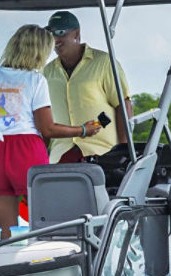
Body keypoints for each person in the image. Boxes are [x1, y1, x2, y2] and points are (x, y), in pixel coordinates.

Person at [0, 25, 104, 240]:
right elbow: (47, 128)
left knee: (6, 234)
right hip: (27, 151)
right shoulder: (35, 80)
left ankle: (8, 268)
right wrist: (83, 129)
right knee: (43, 227)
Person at [41, 10, 132, 164]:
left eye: (61, 33)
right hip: (59, 157)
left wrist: (124, 150)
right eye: (51, 34)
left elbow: (123, 106)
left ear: (76, 34)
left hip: (102, 154)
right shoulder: (46, 71)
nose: (56, 39)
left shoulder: (104, 62)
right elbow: (43, 119)